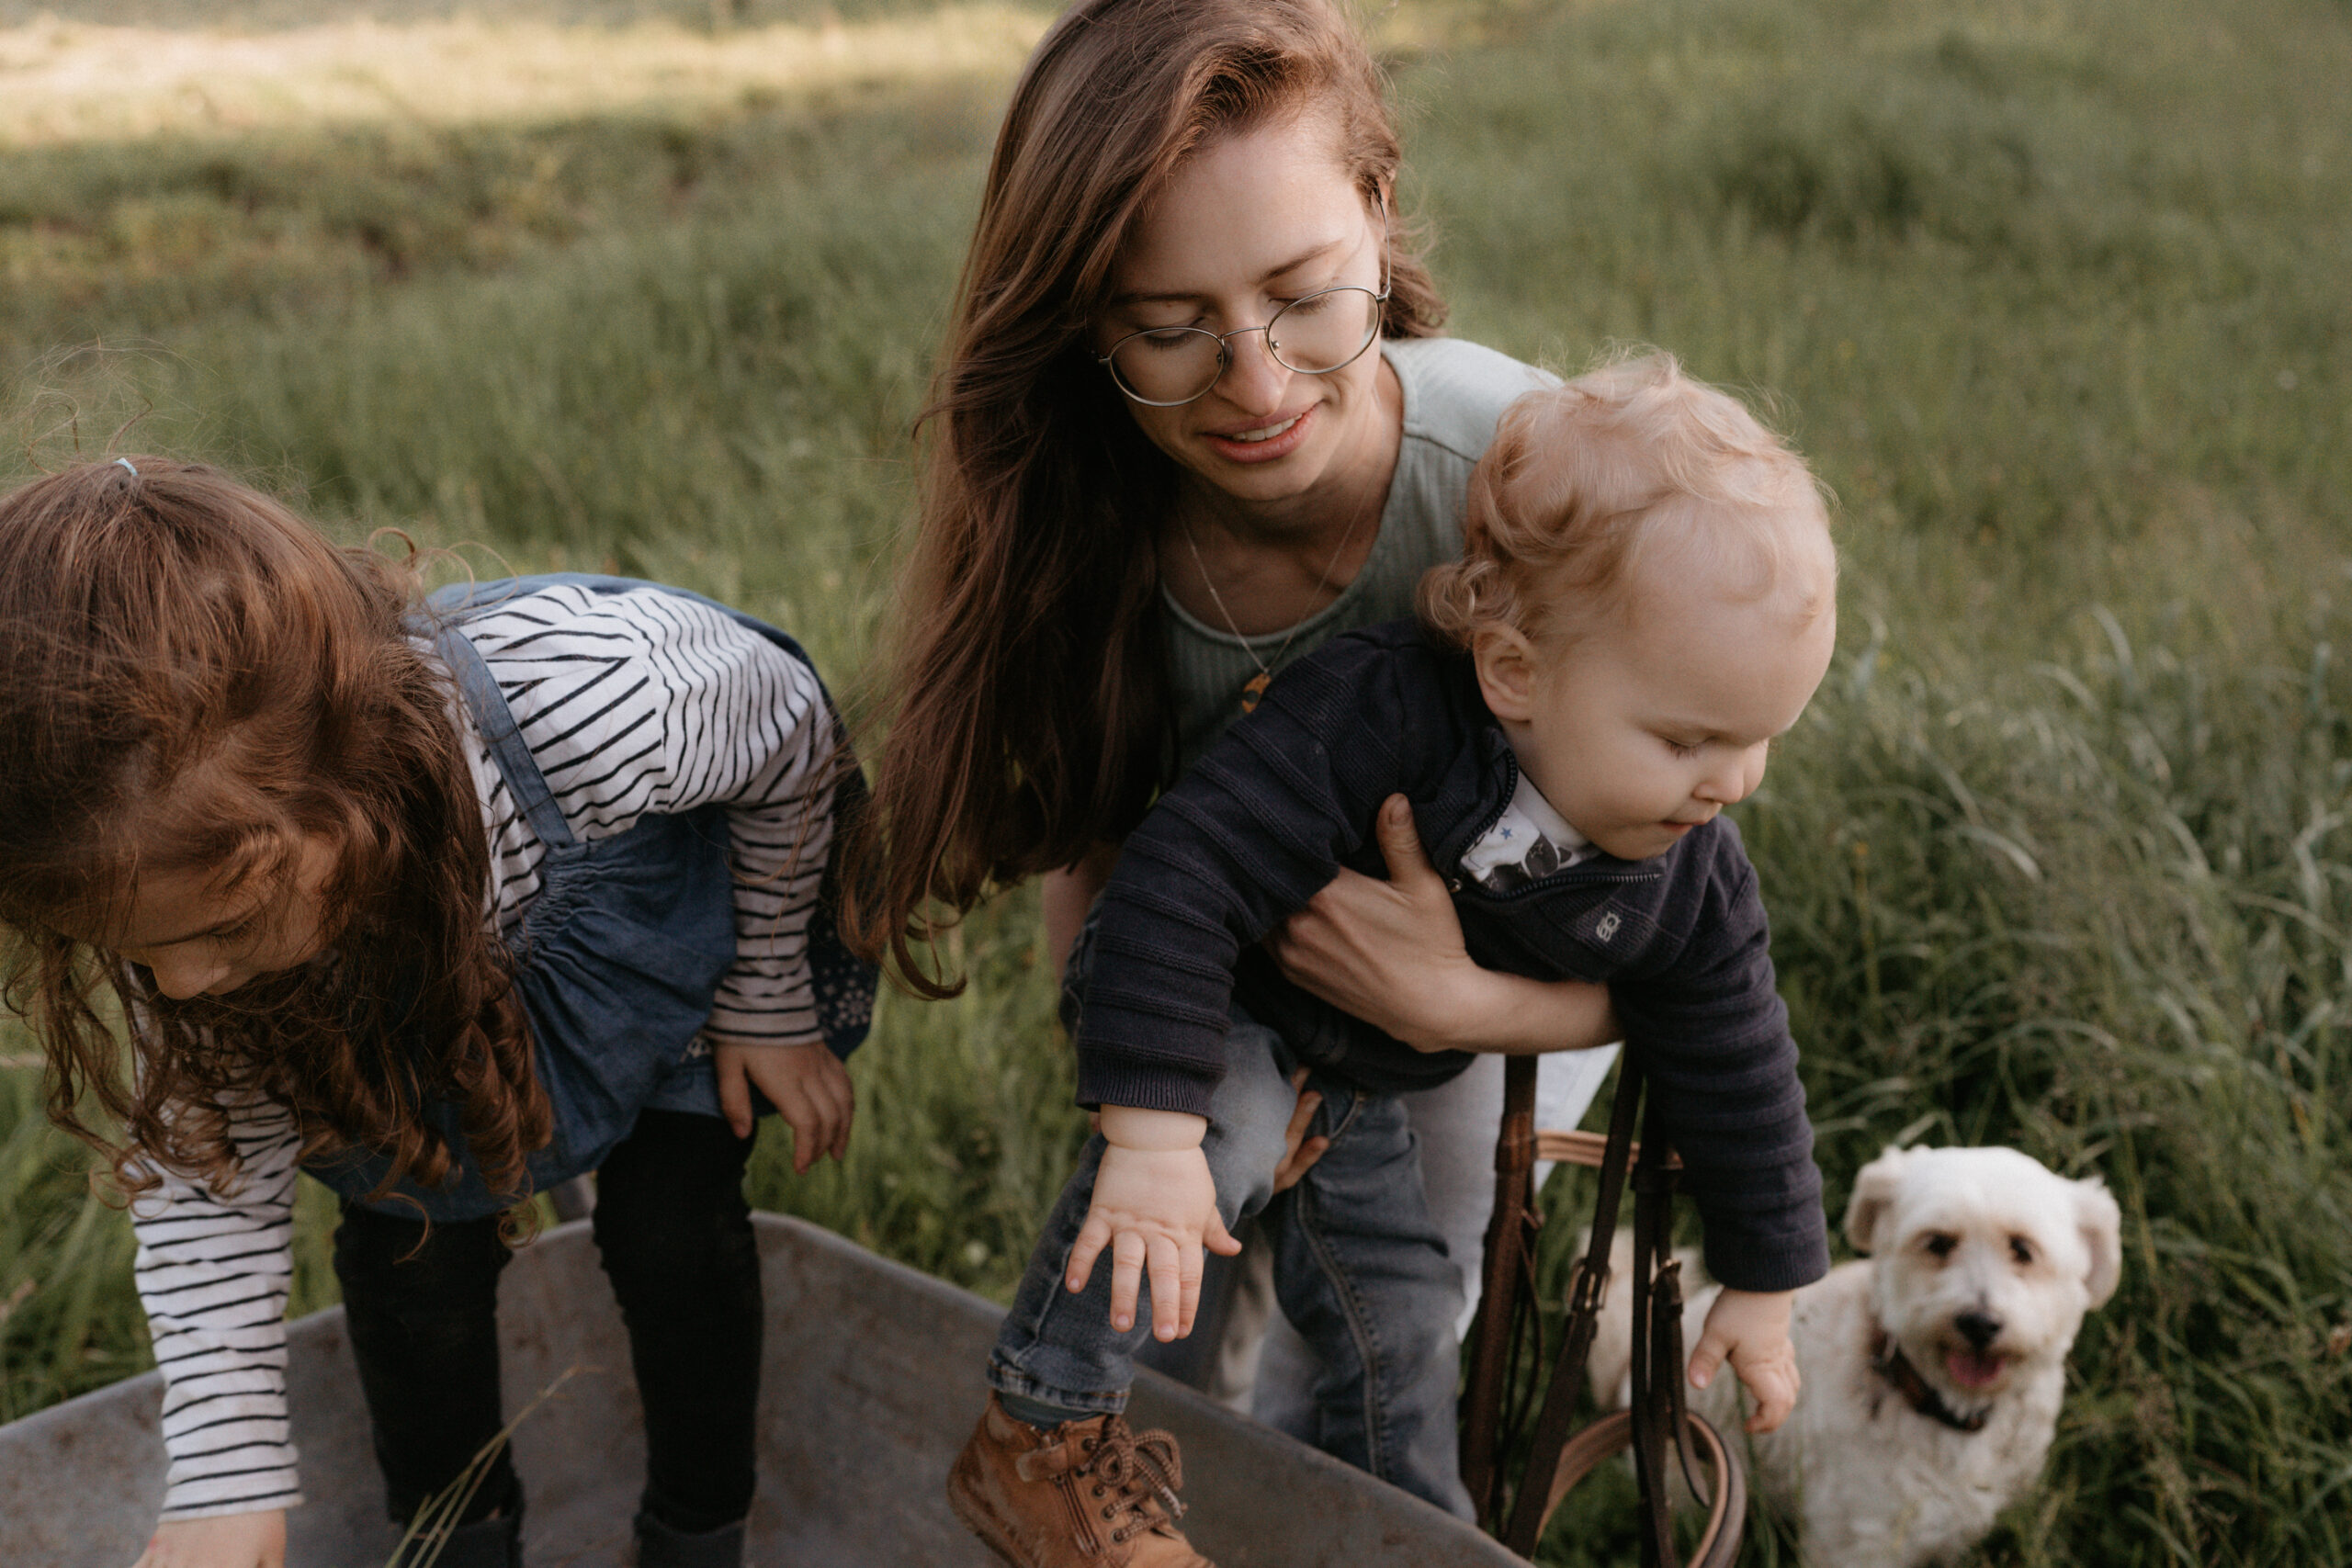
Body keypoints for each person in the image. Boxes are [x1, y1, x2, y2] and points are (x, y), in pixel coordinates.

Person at [848, 0, 1622, 1490]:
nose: (1257, 386)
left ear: (1379, 219)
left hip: (1511, 972)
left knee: (1393, 1319)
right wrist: (1137, 1081)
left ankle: (1312, 1506)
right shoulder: (1086, 522)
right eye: (1169, 327)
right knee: (1170, 1274)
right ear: (1087, 320)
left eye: (1302, 296)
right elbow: (1102, 824)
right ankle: (1125, 1480)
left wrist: (1453, 992)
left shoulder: (1527, 486)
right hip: (1210, 952)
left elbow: (1678, 926)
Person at [953, 354, 1837, 1565]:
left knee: (1404, 1314)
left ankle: (1410, 1532)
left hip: (1357, 1075)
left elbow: (1741, 1059)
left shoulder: (1691, 867)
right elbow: (1186, 868)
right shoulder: (1379, 711)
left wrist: (1766, 1285)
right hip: (1213, 989)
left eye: (1759, 739)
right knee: (1216, 1143)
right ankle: (1038, 1431)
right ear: (1515, 670)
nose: (1730, 782)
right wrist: (1150, 1129)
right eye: (1691, 737)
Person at [0, 458, 876, 1568]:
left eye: (221, 929)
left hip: (657, 973)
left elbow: (788, 729)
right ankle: (455, 1543)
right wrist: (224, 1480)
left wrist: (768, 997)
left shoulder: (595, 701)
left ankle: (697, 1534)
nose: (176, 985)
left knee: (675, 1234)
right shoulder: (185, 913)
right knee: (412, 1268)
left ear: (344, 798)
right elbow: (206, 1188)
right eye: (134, 954)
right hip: (408, 1052)